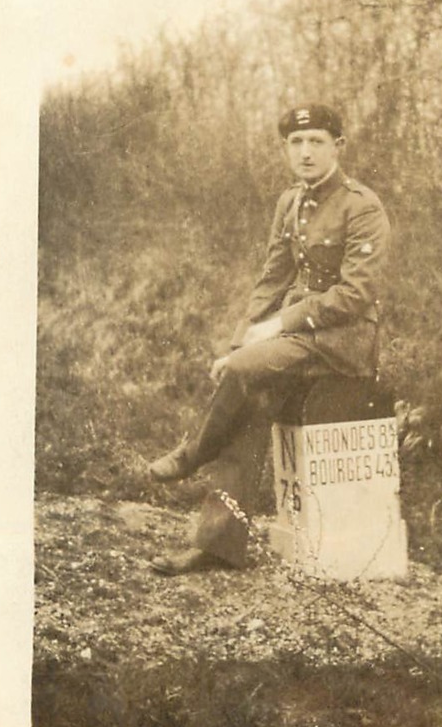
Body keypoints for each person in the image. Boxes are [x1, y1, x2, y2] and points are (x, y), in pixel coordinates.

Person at [148, 103, 391, 574]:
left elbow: (356, 294)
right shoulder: (290, 202)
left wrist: (276, 328)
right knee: (249, 398)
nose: (305, 152)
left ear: (338, 147)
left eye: (316, 142)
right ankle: (217, 547)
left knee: (243, 374)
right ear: (285, 148)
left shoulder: (363, 205)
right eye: (296, 143)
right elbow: (271, 279)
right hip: (298, 341)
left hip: (341, 342)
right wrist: (242, 344)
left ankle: (193, 453)